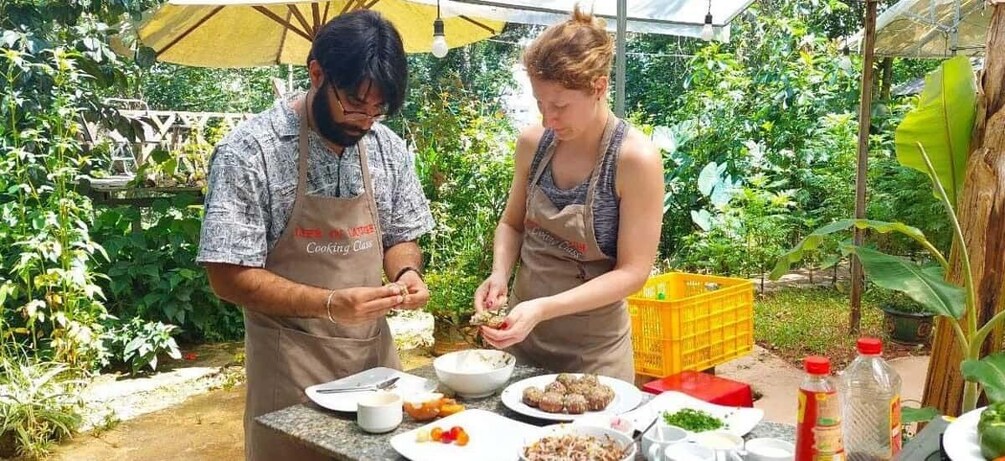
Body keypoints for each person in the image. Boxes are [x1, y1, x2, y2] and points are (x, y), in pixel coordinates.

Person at [196, 11, 434, 461]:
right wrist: (328, 303)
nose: (364, 121)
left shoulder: (385, 147)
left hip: (375, 367)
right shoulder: (251, 151)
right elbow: (226, 276)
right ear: (317, 73)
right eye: (353, 103)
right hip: (289, 367)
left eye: (377, 109)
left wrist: (406, 271)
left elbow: (400, 234)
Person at [474, 7, 664, 383]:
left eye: (559, 105)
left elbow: (633, 272)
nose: (548, 119)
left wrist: (543, 308)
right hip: (521, 342)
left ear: (599, 86)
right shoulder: (533, 145)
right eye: (540, 103)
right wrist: (499, 274)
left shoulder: (634, 160)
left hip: (593, 356)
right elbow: (512, 225)